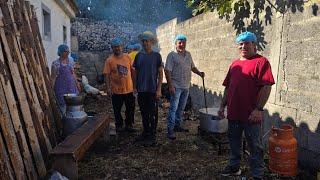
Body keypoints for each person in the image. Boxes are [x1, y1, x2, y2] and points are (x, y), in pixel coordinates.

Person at [218, 32, 275, 179]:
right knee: (234, 143)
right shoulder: (234, 64)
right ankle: (234, 167)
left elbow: (267, 86)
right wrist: (221, 106)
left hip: (251, 115)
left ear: (254, 45)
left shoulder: (261, 62)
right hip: (233, 114)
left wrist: (258, 109)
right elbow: (228, 87)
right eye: (241, 43)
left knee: (255, 147)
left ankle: (257, 175)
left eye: (247, 43)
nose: (243, 46)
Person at [164, 34, 205, 140]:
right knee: (173, 108)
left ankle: (177, 126)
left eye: (184, 42)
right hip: (176, 86)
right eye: (180, 42)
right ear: (176, 44)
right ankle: (170, 130)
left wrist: (199, 73)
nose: (182, 44)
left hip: (186, 86)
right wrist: (170, 85)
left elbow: (193, 67)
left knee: (181, 108)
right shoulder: (171, 55)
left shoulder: (188, 54)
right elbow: (167, 70)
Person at [132, 31, 163, 146]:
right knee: (144, 113)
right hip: (141, 90)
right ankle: (145, 132)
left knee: (153, 113)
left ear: (152, 42)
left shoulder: (156, 56)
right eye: (144, 41)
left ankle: (152, 136)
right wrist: (135, 87)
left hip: (152, 90)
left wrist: (159, 89)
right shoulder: (138, 56)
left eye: (147, 41)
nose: (145, 43)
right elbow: (135, 72)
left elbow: (160, 74)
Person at [103, 37, 136, 132]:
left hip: (129, 89)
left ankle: (129, 125)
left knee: (130, 109)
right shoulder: (109, 60)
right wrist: (108, 88)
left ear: (122, 46)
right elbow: (107, 75)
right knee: (117, 110)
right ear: (112, 48)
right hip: (116, 90)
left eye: (118, 46)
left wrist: (135, 86)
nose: (117, 48)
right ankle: (119, 125)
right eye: (114, 47)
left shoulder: (128, 57)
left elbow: (133, 72)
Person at [51, 44, 80, 113]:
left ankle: (73, 122)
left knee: (73, 107)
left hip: (71, 87)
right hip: (60, 89)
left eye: (68, 51)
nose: (67, 53)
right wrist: (51, 89)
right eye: (65, 51)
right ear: (60, 52)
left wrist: (77, 84)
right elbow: (53, 77)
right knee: (63, 108)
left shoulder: (70, 61)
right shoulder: (55, 64)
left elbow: (73, 73)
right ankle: (64, 122)